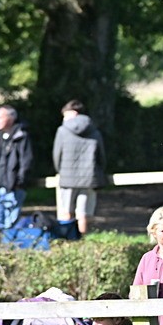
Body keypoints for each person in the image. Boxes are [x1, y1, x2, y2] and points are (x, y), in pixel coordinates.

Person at [52, 100, 107, 237]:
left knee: (66, 212)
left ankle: (68, 243)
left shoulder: (63, 130)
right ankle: (83, 242)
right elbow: (101, 156)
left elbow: (57, 155)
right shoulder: (94, 130)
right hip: (89, 178)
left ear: (73, 113)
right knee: (83, 213)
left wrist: (60, 171)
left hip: (67, 178)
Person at [0, 105, 33, 241]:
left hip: (14, 188)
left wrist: (19, 182)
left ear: (11, 118)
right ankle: (0, 246)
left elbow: (26, 161)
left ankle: (10, 248)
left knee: (11, 223)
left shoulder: (21, 136)